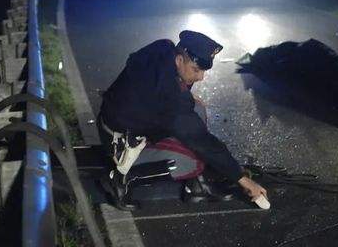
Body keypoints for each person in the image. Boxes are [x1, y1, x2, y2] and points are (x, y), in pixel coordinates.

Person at [98, 30, 267, 208]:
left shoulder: (164, 48)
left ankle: (198, 186)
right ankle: (122, 179)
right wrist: (242, 179)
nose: (201, 77)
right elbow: (202, 141)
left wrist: (179, 97)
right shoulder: (170, 97)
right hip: (121, 143)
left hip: (118, 119)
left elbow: (153, 85)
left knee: (197, 108)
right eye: (196, 69)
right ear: (179, 60)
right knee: (193, 161)